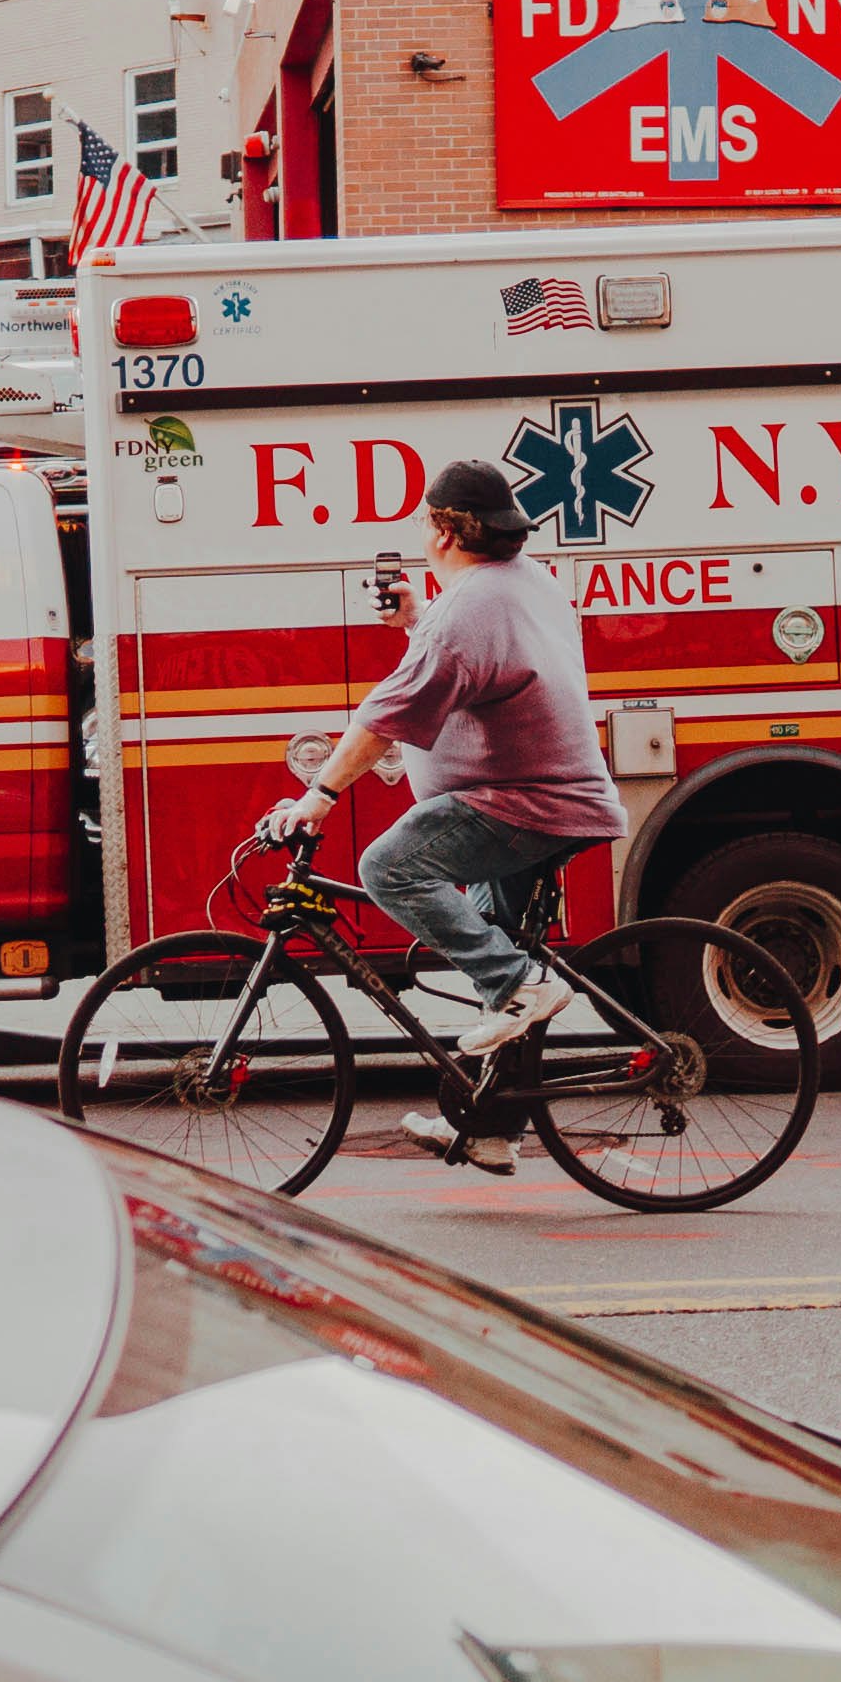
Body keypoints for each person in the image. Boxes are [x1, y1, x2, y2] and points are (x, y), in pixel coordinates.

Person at [257, 457, 629, 1171]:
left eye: (428, 520)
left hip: (525, 801)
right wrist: (415, 619)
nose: (422, 533)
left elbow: (385, 720)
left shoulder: (465, 610)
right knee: (501, 946)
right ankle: (493, 1130)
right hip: (549, 794)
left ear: (447, 532)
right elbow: (479, 652)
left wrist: (318, 795)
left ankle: (521, 988)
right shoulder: (523, 582)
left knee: (389, 866)